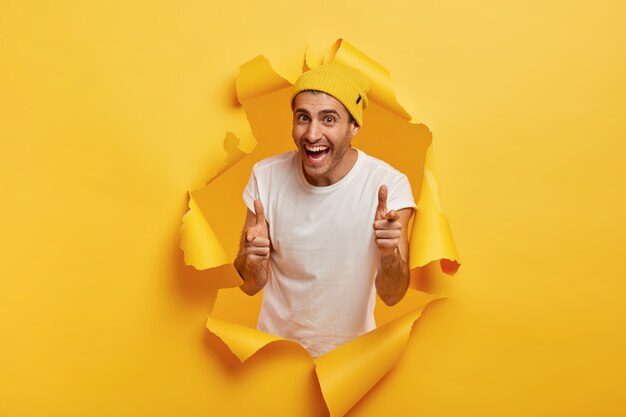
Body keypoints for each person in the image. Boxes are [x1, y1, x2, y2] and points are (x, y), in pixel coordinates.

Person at [234, 62, 416, 357]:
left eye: (328, 119)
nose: (312, 133)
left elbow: (393, 295)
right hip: (275, 358)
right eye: (303, 118)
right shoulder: (265, 176)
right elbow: (249, 285)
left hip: (350, 366)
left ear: (353, 126)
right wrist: (251, 258)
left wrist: (388, 253)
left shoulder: (389, 186)